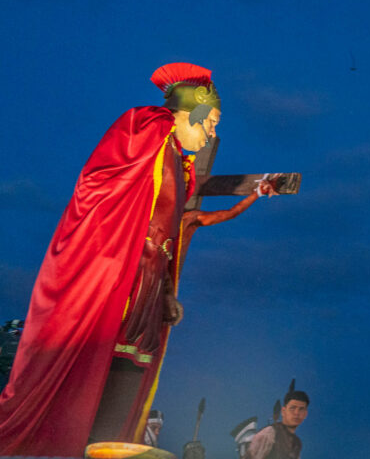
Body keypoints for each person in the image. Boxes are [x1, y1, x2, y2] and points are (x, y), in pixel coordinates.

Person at [0, 63, 222, 457]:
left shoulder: (178, 163)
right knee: (90, 365)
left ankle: (106, 449)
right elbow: (106, 195)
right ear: (193, 112)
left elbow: (169, 228)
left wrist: (167, 292)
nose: (212, 134)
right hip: (115, 272)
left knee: (128, 372)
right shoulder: (147, 128)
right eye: (211, 122)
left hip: (149, 285)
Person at [248, 390, 308, 459]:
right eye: (292, 408)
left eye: (301, 409)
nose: (296, 413)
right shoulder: (269, 433)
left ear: (305, 414)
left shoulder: (297, 443)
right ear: (283, 411)